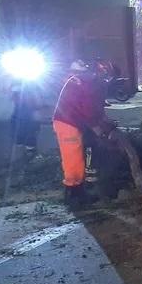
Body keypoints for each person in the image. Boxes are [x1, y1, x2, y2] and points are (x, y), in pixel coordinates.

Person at [52, 60, 114, 207]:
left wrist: (105, 122)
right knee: (73, 160)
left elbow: (96, 108)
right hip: (68, 123)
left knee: (77, 159)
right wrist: (97, 128)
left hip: (70, 121)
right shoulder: (91, 84)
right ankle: (73, 196)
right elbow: (89, 109)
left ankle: (78, 192)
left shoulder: (86, 81)